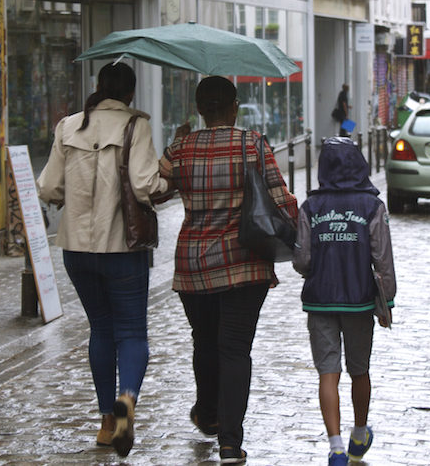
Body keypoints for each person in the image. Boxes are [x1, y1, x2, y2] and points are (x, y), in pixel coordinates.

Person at [160, 76, 298, 465]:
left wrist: (175, 144)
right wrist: (298, 238)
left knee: (203, 342)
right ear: (234, 107)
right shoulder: (250, 143)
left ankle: (207, 412)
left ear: (201, 109)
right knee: (235, 350)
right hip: (243, 263)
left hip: (194, 265)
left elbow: (154, 191)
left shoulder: (182, 146)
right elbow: (279, 197)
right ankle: (230, 443)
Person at [37, 62, 170, 458]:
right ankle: (126, 399)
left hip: (77, 250)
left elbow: (48, 186)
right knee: (131, 332)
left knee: (100, 329)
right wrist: (170, 178)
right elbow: (146, 186)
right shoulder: (135, 125)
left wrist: (71, 198)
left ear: (99, 88)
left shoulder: (69, 126)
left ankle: (106, 423)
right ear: (129, 93)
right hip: (122, 250)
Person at [293, 138, 396, 466]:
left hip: (320, 300)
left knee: (328, 373)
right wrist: (387, 302)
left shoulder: (311, 207)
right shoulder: (372, 207)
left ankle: (335, 446)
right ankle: (359, 433)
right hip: (359, 301)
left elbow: (302, 260)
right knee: (359, 370)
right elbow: (383, 258)